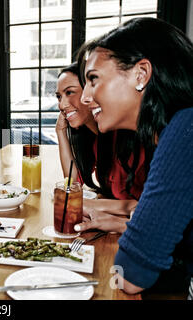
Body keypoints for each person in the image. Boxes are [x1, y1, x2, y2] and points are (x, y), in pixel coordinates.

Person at [78, 17, 193, 297]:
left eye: (93, 79)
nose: (84, 97)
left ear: (141, 74)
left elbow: (129, 277)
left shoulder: (185, 130)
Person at [55, 62, 147, 233]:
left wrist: (93, 204)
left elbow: (148, 205)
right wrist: (60, 132)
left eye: (70, 92)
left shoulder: (128, 137)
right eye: (59, 97)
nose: (62, 105)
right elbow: (73, 185)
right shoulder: (94, 139)